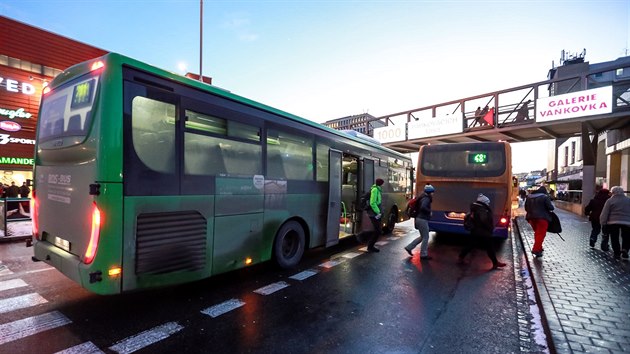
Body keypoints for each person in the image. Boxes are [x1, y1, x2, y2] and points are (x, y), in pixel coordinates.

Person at [458, 193, 506, 270]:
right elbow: (484, 220)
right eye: (487, 202)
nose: (488, 204)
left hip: (476, 231)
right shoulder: (482, 209)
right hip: (483, 231)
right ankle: (495, 263)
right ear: (484, 202)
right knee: (489, 246)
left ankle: (461, 257)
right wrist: (490, 228)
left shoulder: (475, 208)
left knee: (471, 245)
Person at [404, 184, 435, 260]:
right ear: (429, 192)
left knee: (422, 237)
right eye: (432, 192)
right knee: (426, 237)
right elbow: (423, 207)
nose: (433, 193)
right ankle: (423, 254)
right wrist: (429, 212)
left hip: (419, 219)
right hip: (422, 219)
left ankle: (409, 247)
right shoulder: (426, 198)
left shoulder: (422, 196)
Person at [600, 186, 630, 260]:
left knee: (614, 237)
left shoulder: (610, 201)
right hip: (627, 222)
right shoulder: (628, 200)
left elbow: (605, 212)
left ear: (612, 192)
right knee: (626, 237)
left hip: (613, 222)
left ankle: (617, 252)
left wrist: (603, 222)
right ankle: (625, 249)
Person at [524, 185, 554, 257]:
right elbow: (551, 207)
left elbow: (526, 208)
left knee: (537, 233)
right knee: (540, 234)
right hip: (542, 218)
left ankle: (539, 247)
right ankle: (536, 249)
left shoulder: (529, 197)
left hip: (531, 218)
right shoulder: (545, 197)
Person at [584, 186, 611, 251]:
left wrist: (587, 213)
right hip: (606, 218)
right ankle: (604, 245)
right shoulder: (609, 200)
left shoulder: (593, 200)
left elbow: (587, 208)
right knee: (605, 231)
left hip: (594, 217)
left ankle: (593, 238)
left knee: (595, 229)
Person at [365, 178, 385, 253]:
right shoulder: (375, 190)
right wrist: (378, 212)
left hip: (375, 213)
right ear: (381, 184)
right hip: (374, 213)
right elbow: (372, 202)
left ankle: (370, 245)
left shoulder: (377, 189)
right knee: (378, 230)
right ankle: (370, 246)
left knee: (378, 230)